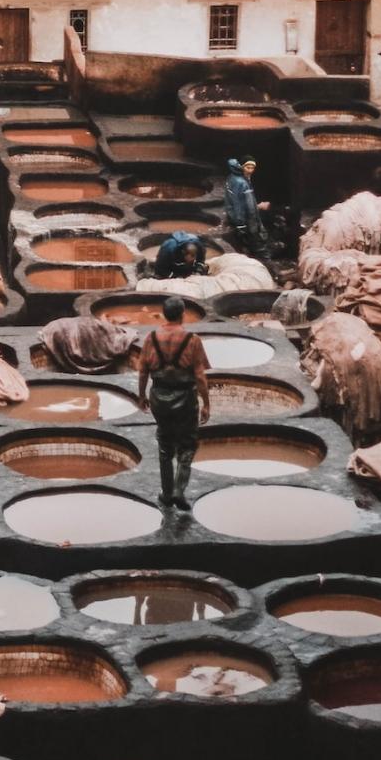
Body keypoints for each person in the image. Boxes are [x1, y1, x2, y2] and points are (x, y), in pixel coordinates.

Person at [135, 293, 210, 511]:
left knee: (165, 446)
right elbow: (200, 377)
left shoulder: (151, 338)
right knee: (187, 445)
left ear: (164, 315)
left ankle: (167, 494)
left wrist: (141, 396)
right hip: (185, 397)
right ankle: (179, 490)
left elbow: (142, 371)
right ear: (182, 315)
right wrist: (206, 404)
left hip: (159, 396)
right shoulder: (192, 340)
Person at [222, 156, 266, 255]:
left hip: (233, 214)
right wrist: (241, 223)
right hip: (243, 217)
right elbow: (244, 205)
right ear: (242, 167)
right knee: (253, 239)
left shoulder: (232, 177)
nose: (250, 170)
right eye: (248, 167)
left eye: (252, 168)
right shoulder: (242, 183)